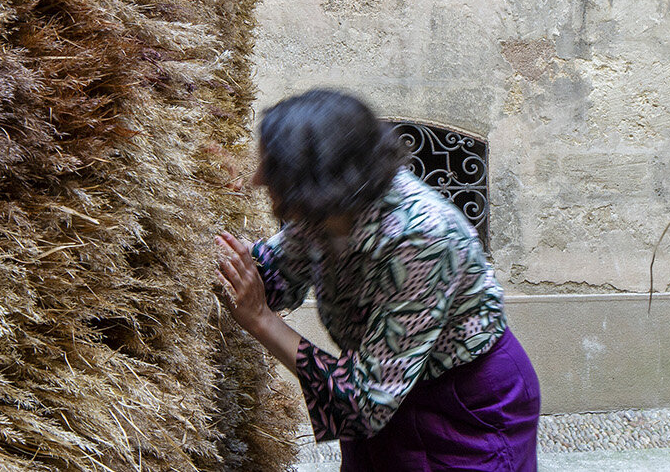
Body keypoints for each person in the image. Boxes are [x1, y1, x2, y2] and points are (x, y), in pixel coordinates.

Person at [216, 89, 541, 471]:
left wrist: (262, 321)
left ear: (316, 177)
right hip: (382, 388)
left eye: (272, 167)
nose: (257, 179)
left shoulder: (421, 238)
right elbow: (267, 277)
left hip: (462, 404)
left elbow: (364, 403)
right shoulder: (326, 211)